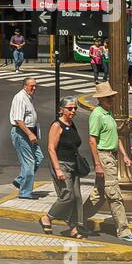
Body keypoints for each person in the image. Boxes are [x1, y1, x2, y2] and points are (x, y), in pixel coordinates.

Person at [82, 81, 132, 243]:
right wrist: (98, 164)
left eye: (111, 97)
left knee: (99, 195)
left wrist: (125, 156)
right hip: (104, 157)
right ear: (100, 99)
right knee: (114, 195)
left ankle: (78, 218)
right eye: (107, 98)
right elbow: (92, 140)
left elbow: (116, 138)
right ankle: (123, 230)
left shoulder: (108, 113)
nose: (110, 100)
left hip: (111, 156)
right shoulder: (97, 114)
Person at [40, 97, 86, 237]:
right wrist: (58, 169)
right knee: (67, 196)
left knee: (77, 197)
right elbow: (51, 148)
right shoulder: (57, 125)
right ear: (61, 110)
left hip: (74, 165)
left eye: (75, 108)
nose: (73, 111)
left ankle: (73, 228)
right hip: (61, 164)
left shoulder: (71, 124)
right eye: (70, 108)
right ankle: (48, 218)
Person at [9, 76, 43, 199]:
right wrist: (29, 133)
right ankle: (25, 192)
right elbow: (18, 119)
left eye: (35, 86)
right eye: (31, 85)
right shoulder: (20, 98)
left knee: (39, 157)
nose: (34, 88)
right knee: (29, 162)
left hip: (29, 132)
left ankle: (20, 180)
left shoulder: (28, 97)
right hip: (22, 133)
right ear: (25, 86)